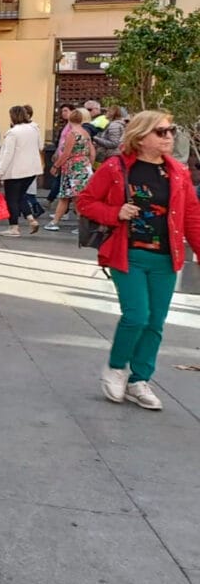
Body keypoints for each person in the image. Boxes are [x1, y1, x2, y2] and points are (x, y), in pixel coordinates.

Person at [78, 111, 200, 410]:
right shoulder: (116, 167)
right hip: (127, 253)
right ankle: (117, 368)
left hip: (165, 258)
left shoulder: (178, 173)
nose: (169, 136)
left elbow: (191, 216)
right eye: (161, 132)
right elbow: (85, 201)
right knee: (137, 315)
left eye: (171, 130)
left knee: (155, 322)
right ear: (141, 136)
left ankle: (139, 380)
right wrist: (115, 212)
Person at [0, 104, 44, 237]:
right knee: (21, 196)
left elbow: (7, 154)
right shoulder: (34, 129)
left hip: (15, 170)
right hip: (32, 169)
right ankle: (31, 219)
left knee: (11, 199)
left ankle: (14, 227)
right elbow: (41, 146)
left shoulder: (13, 133)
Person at [46, 108, 96, 231]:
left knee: (71, 197)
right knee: (72, 196)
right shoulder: (85, 133)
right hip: (84, 165)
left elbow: (66, 153)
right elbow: (92, 152)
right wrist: (89, 165)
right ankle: (56, 221)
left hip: (72, 167)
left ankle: (80, 226)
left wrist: (56, 166)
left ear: (70, 118)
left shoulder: (72, 134)